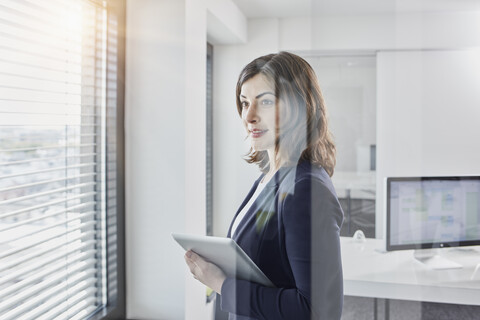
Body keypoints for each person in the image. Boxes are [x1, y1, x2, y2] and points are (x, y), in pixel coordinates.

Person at [184, 51, 344, 320]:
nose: (249, 116)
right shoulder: (270, 177)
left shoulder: (306, 189)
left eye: (265, 102)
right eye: (245, 103)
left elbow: (317, 311)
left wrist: (222, 283)